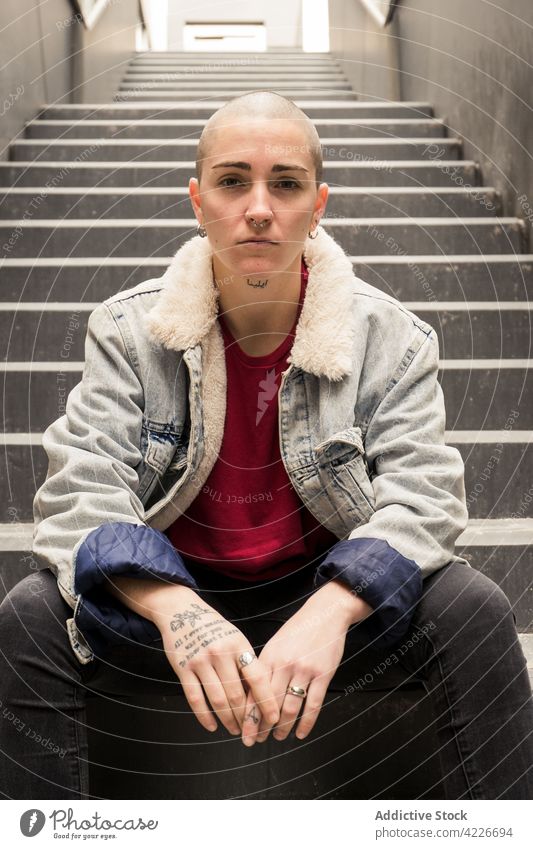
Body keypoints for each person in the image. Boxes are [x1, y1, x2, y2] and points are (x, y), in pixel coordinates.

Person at [0, 91, 532, 800]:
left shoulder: (393, 338)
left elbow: (425, 496)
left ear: (318, 204)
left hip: (327, 599)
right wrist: (171, 603)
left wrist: (331, 608)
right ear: (197, 200)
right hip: (173, 604)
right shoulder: (127, 330)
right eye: (232, 181)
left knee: (473, 606)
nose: (258, 207)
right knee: (31, 614)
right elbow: (78, 490)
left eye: (284, 183)